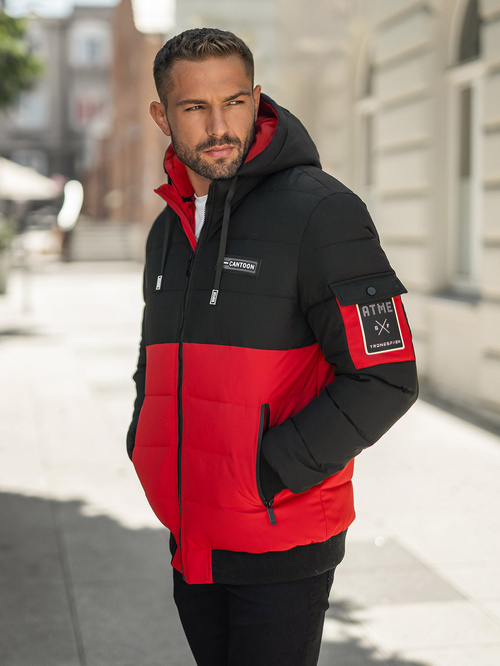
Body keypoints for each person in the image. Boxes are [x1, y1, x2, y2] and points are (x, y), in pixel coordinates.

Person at [127, 27, 418, 666]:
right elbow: (156, 360)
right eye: (194, 107)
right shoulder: (167, 230)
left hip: (281, 538)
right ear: (162, 116)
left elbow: (387, 376)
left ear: (257, 99)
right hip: (191, 531)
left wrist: (268, 472)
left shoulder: (323, 212)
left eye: (234, 102)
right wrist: (144, 440)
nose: (219, 126)